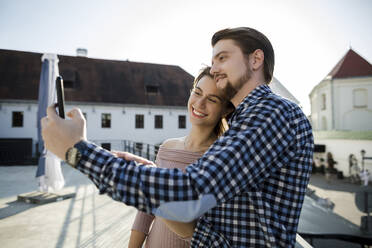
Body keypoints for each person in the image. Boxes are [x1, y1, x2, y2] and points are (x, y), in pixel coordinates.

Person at [41, 27, 314, 247]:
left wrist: (77, 151)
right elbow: (224, 218)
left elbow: (190, 193)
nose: (215, 67)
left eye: (223, 57)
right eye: (213, 60)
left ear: (255, 59)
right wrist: (155, 173)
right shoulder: (245, 121)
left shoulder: (273, 113)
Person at [128, 67, 234, 248]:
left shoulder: (222, 160)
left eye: (212, 99)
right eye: (197, 93)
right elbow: (146, 211)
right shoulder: (167, 147)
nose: (199, 103)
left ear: (225, 109)